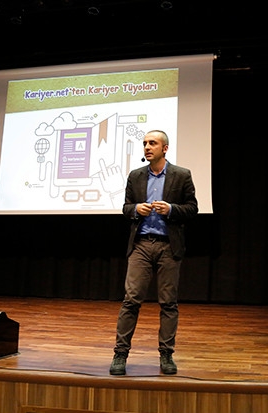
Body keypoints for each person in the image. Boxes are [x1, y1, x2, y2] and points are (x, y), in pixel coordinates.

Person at [109, 130, 199, 375]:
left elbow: (192, 208)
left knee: (168, 302)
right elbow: (126, 208)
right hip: (141, 244)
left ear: (165, 148)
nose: (147, 147)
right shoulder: (136, 176)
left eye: (152, 143)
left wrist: (171, 209)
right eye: (145, 143)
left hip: (168, 245)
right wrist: (136, 209)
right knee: (131, 300)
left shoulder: (181, 175)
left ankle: (166, 354)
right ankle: (120, 354)